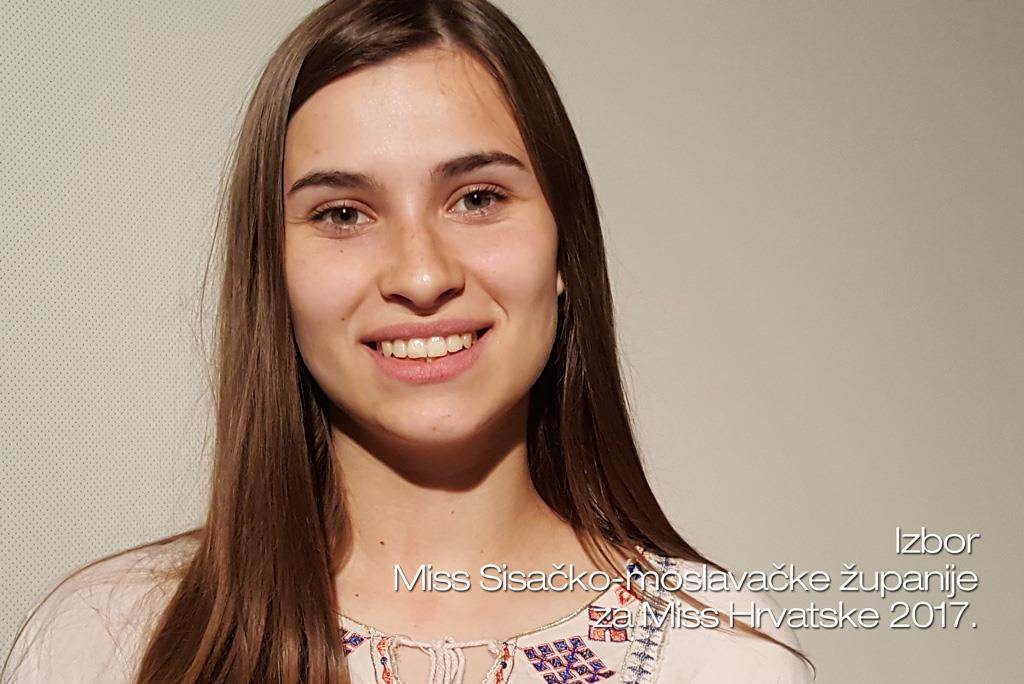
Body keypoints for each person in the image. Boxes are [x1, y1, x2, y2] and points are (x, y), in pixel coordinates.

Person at [2, 1, 815, 682]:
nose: (422, 276)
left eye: (477, 198)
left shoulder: (721, 657)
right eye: (343, 214)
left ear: (565, 246)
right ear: (272, 272)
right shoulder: (105, 641)